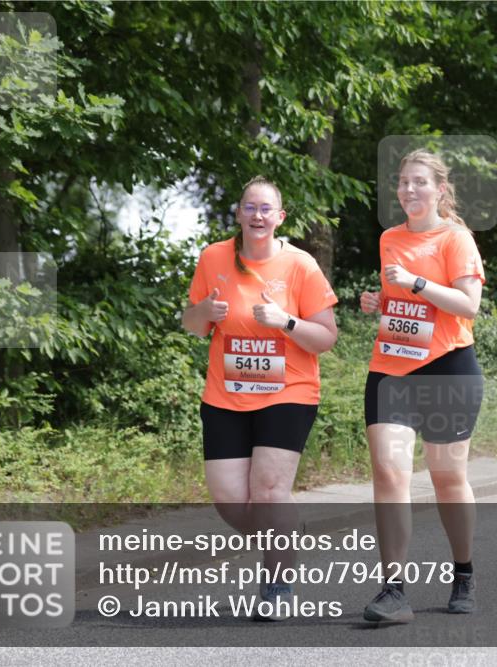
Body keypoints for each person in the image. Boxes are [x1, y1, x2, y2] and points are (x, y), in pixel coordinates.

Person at [182, 176, 338, 619]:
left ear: (280, 217)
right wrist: (203, 313)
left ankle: (277, 586)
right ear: (238, 213)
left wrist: (285, 322)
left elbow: (326, 338)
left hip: (288, 392)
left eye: (266, 209)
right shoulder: (213, 257)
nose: (257, 215)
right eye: (250, 207)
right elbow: (192, 325)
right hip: (225, 395)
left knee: (268, 493)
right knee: (231, 502)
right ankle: (288, 527)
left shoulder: (301, 265)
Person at [359, 149, 486, 622]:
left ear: (440, 189)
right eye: (403, 182)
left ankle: (464, 572)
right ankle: (393, 590)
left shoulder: (456, 239)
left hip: (448, 368)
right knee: (390, 474)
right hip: (392, 367)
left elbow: (467, 305)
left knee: (447, 480)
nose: (409, 190)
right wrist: (378, 302)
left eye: (419, 182)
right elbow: (403, 305)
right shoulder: (389, 237)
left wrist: (414, 283)